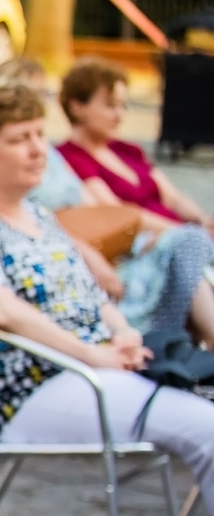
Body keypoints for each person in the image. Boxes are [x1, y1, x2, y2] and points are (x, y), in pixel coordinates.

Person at [0, 83, 214, 516]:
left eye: (39, 135)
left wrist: (124, 336)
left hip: (96, 375)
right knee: (208, 430)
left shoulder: (39, 216)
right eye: (18, 139)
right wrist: (91, 354)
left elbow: (95, 297)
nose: (37, 150)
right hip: (32, 390)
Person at [53, 58, 214, 344]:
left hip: (176, 234)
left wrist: (202, 220)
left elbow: (173, 197)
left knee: (194, 243)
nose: (119, 114)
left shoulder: (127, 150)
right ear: (77, 106)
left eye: (123, 105)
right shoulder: (71, 157)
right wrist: (185, 232)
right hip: (141, 246)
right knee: (188, 247)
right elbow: (121, 213)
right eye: (110, 105)